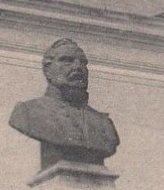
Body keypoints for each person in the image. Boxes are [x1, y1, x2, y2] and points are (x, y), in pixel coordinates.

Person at [9, 38, 120, 169]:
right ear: (48, 71)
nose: (78, 67)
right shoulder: (28, 111)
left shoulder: (104, 123)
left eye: (83, 63)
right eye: (67, 60)